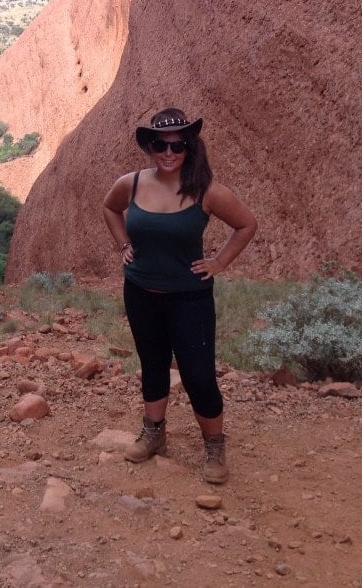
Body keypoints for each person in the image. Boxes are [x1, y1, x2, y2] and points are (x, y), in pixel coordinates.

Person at [102, 107, 256, 483]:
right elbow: (110, 208)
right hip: (141, 292)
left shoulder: (207, 192)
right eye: (161, 145)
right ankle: (154, 433)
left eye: (178, 145)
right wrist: (123, 244)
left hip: (189, 299)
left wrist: (219, 262)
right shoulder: (132, 183)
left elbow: (246, 224)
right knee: (153, 365)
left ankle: (215, 446)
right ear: (150, 146)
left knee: (198, 376)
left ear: (190, 146)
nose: (169, 152)